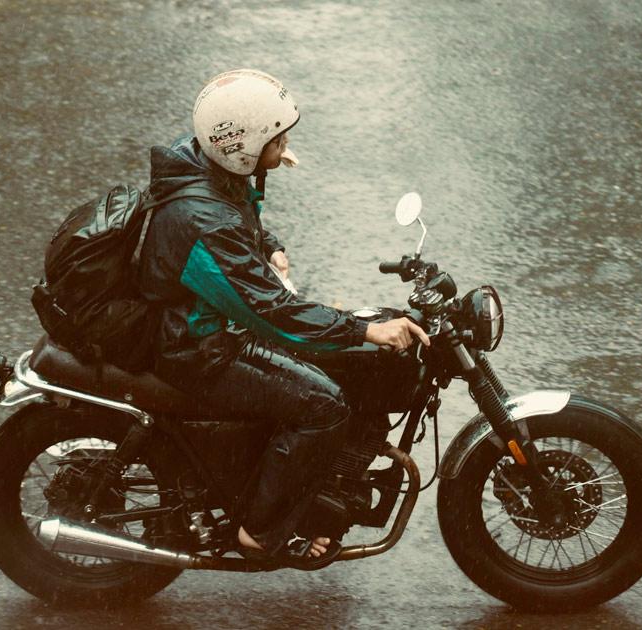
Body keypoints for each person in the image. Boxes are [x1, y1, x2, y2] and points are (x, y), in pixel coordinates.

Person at [134, 69, 429, 563]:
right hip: (198, 348)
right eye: (275, 139)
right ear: (241, 149)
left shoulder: (206, 167)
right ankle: (261, 531)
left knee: (333, 370)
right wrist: (366, 329)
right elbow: (272, 310)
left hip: (205, 327)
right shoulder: (205, 219)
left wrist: (267, 245)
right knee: (324, 405)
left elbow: (235, 219)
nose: (285, 144)